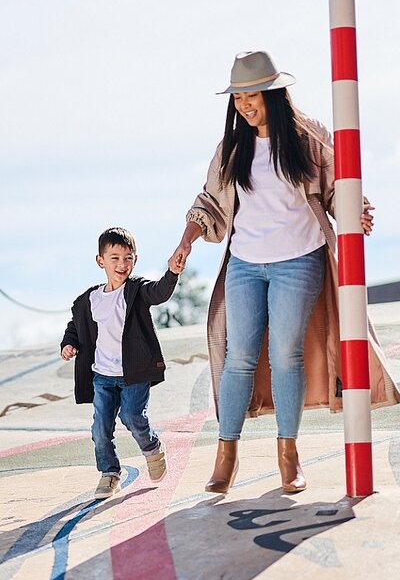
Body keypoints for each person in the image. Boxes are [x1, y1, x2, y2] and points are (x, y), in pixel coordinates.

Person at [170, 49, 399, 495]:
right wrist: (185, 241)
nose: (244, 105)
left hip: (299, 261)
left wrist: (358, 211)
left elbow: (339, 189)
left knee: (286, 354)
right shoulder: (231, 149)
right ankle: (226, 456)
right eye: (237, 98)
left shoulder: (309, 138)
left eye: (251, 95)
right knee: (238, 357)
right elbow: (209, 204)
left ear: (273, 93)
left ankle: (288, 456)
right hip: (244, 265)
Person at [61, 226, 183, 498]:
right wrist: (68, 344)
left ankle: (152, 448)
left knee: (132, 416)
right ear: (100, 261)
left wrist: (172, 272)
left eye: (128, 257)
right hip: (102, 375)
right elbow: (75, 328)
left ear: (135, 260)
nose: (122, 264)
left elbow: (160, 292)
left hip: (134, 373)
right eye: (114, 258)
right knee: (100, 429)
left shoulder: (137, 291)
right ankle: (109, 473)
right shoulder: (88, 300)